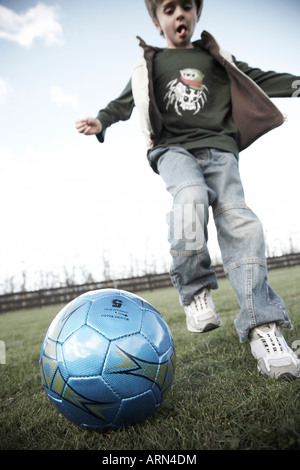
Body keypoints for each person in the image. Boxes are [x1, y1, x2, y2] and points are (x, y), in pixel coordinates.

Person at [76, 0, 300, 380]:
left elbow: (257, 77)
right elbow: (123, 102)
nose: (178, 14)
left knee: (242, 222)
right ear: (156, 19)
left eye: (186, 7)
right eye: (168, 8)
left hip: (221, 150)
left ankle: (264, 327)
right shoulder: (151, 64)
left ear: (196, 14)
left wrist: (296, 84)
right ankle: (195, 289)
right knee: (191, 198)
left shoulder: (213, 57)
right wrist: (102, 120)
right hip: (173, 149)